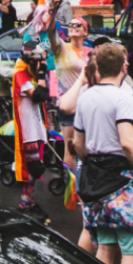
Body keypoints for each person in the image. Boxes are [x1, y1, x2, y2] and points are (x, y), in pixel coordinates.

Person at [74, 44, 133, 264]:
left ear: (98, 68)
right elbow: (127, 143)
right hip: (122, 179)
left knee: (105, 246)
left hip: (94, 177)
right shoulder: (124, 98)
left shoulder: (85, 97)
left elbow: (78, 143)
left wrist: (92, 164)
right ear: (124, 67)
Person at [48, 14, 93, 168]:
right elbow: (50, 31)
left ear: (85, 32)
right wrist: (52, 11)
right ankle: (71, 189)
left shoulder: (91, 52)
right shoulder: (61, 48)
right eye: (70, 25)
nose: (73, 27)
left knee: (88, 149)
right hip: (68, 104)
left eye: (78, 25)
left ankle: (84, 186)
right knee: (71, 150)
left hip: (88, 104)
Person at [13, 41, 50, 222]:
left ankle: (27, 201)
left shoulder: (27, 74)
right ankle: (23, 204)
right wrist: (42, 73)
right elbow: (38, 95)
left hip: (34, 128)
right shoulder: (21, 74)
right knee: (33, 169)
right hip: (28, 131)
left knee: (34, 170)